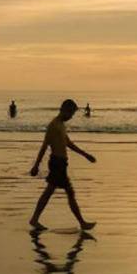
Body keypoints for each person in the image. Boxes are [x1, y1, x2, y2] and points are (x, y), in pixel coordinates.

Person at [28, 99, 96, 231]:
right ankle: (82, 222)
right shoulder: (53, 125)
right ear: (65, 110)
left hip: (61, 164)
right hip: (56, 163)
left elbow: (69, 144)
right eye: (71, 114)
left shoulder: (61, 125)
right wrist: (36, 165)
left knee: (50, 192)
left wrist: (86, 155)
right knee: (68, 193)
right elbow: (44, 146)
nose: (71, 117)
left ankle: (35, 219)